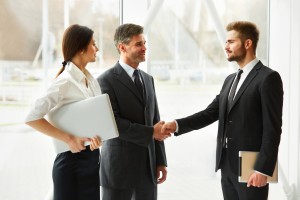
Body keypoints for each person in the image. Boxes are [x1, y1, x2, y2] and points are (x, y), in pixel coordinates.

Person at [162, 21, 283, 200]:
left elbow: (272, 128)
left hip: (252, 168)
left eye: (231, 42)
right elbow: (209, 113)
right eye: (226, 42)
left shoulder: (268, 78)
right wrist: (177, 125)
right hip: (227, 166)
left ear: (247, 43)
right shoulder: (230, 80)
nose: (225, 47)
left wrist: (262, 169)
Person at [25, 24, 102, 200]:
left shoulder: (90, 81)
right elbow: (31, 117)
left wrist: (96, 139)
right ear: (81, 49)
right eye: (93, 43)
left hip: (91, 163)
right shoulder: (65, 82)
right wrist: (68, 139)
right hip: (71, 165)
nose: (97, 48)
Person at [97, 23, 170, 200]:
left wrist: (160, 160)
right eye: (139, 44)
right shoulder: (105, 81)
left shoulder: (148, 79)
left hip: (148, 169)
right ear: (122, 47)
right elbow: (113, 123)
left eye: (145, 43)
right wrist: (151, 132)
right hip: (118, 171)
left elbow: (156, 120)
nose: (144, 48)